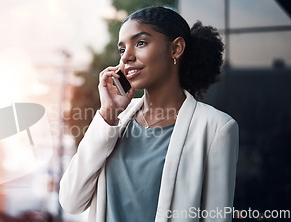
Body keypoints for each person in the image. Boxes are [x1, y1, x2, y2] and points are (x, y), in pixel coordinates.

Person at [59, 6, 239, 222]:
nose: (127, 57)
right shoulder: (116, 121)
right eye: (122, 49)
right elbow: (71, 201)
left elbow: (216, 218)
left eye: (141, 43)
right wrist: (108, 113)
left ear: (176, 49)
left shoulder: (216, 128)